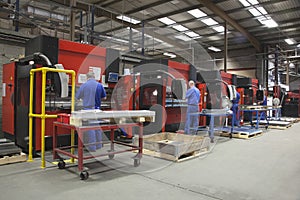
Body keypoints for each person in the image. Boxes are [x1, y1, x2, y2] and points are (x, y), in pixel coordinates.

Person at [76, 71, 106, 152]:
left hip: (88, 110)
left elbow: (77, 97)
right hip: (97, 110)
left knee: (91, 128)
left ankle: (92, 148)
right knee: (97, 128)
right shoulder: (100, 85)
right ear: (94, 77)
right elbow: (104, 98)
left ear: (87, 77)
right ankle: (99, 145)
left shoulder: (84, 85)